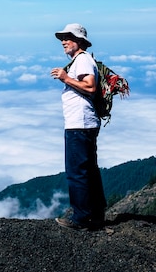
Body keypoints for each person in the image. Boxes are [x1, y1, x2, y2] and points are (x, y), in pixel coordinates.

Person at [50, 23, 106, 231]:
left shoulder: (82, 61)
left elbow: (90, 87)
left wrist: (65, 78)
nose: (64, 41)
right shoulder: (82, 60)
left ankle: (81, 219)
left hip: (79, 124)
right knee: (89, 171)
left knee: (77, 172)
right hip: (85, 123)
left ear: (79, 41)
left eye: (68, 37)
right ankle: (97, 216)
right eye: (62, 38)